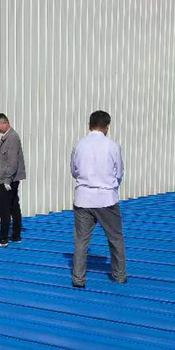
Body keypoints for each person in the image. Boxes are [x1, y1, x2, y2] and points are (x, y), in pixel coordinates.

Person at [70, 110, 127, 289]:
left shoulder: (79, 145)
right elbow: (119, 172)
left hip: (83, 198)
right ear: (107, 127)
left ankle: (78, 278)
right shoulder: (112, 146)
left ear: (89, 125)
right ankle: (119, 275)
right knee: (115, 238)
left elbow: (74, 171)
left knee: (81, 240)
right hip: (106, 198)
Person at [0, 113, 26, 247]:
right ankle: (16, 235)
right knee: (14, 206)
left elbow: (12, 161)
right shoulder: (8, 137)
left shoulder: (11, 138)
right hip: (11, 179)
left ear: (6, 123)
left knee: (4, 208)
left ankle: (3, 238)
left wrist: (7, 179)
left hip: (8, 179)